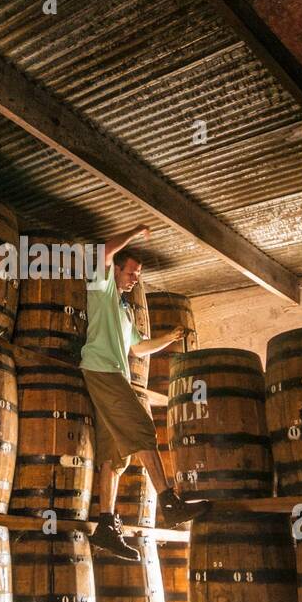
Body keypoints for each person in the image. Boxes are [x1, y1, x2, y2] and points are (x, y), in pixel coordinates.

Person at [81, 223, 206, 561]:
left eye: (138, 274)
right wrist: (135, 231)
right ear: (116, 270)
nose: (135, 278)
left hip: (114, 373)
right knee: (143, 431)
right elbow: (104, 251)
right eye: (132, 271)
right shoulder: (101, 287)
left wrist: (169, 337)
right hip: (101, 370)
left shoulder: (122, 309)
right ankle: (170, 502)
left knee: (114, 456)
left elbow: (137, 348)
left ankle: (106, 525)